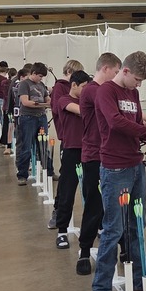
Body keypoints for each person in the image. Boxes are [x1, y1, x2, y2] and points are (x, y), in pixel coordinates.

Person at [91, 51, 146, 291]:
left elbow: (135, 124)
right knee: (113, 229)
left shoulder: (133, 94)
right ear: (123, 71)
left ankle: (141, 282)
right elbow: (115, 123)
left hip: (136, 166)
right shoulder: (106, 92)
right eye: (137, 79)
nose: (139, 85)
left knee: (137, 226)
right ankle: (102, 289)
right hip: (115, 169)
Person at [75, 52, 122, 276]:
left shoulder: (106, 91)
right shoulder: (93, 90)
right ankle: (84, 251)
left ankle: (124, 250)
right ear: (105, 68)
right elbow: (117, 113)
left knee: (117, 206)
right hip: (94, 156)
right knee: (94, 205)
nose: (115, 77)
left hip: (110, 156)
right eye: (115, 72)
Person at [51, 69, 91, 250]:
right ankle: (62, 231)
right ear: (73, 85)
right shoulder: (64, 100)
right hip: (71, 152)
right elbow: (82, 111)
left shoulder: (86, 101)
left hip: (89, 151)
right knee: (67, 193)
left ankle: (95, 226)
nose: (86, 90)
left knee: (93, 193)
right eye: (83, 87)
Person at [47, 59, 85, 229]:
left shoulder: (78, 90)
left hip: (84, 142)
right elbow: (58, 109)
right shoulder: (61, 90)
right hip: (69, 140)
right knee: (66, 182)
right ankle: (58, 212)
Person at [15, 62, 50, 185]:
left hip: (41, 117)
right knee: (26, 147)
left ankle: (49, 171)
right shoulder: (24, 84)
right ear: (33, 73)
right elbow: (25, 102)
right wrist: (44, 105)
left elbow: (47, 98)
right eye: (39, 76)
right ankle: (22, 174)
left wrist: (49, 102)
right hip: (28, 118)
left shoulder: (41, 85)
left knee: (44, 146)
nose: (41, 79)